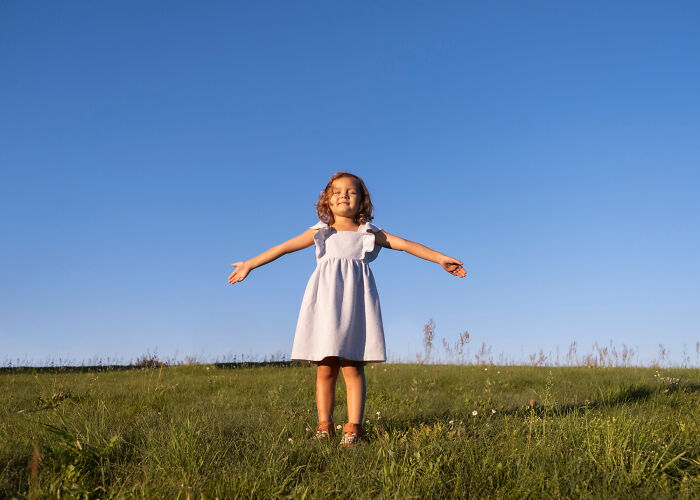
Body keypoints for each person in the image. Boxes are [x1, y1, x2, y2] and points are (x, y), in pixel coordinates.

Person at [228, 172, 466, 446]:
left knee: (353, 366)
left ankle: (354, 428)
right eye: (338, 191)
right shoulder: (321, 232)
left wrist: (440, 259)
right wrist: (250, 264)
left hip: (356, 305)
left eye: (351, 192)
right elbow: (283, 248)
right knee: (325, 367)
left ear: (362, 201)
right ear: (327, 200)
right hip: (325, 305)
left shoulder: (369, 233)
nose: (344, 195)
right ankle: (324, 425)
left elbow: (406, 245)